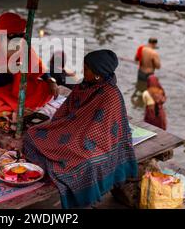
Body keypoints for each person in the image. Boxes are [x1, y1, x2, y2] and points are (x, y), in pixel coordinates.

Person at [24, 49, 138, 208]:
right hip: (70, 130)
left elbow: (99, 131)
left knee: (84, 163)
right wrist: (60, 128)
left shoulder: (111, 95)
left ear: (98, 73)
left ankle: (82, 196)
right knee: (31, 135)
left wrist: (75, 138)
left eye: (86, 68)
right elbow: (64, 112)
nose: (82, 70)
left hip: (93, 141)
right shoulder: (82, 86)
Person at [0, 12, 58, 120]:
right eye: (12, 36)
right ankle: (13, 112)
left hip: (16, 89)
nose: (17, 40)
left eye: (20, 35)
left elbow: (37, 64)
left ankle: (16, 111)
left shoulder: (22, 43)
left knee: (47, 89)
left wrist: (50, 79)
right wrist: (3, 69)